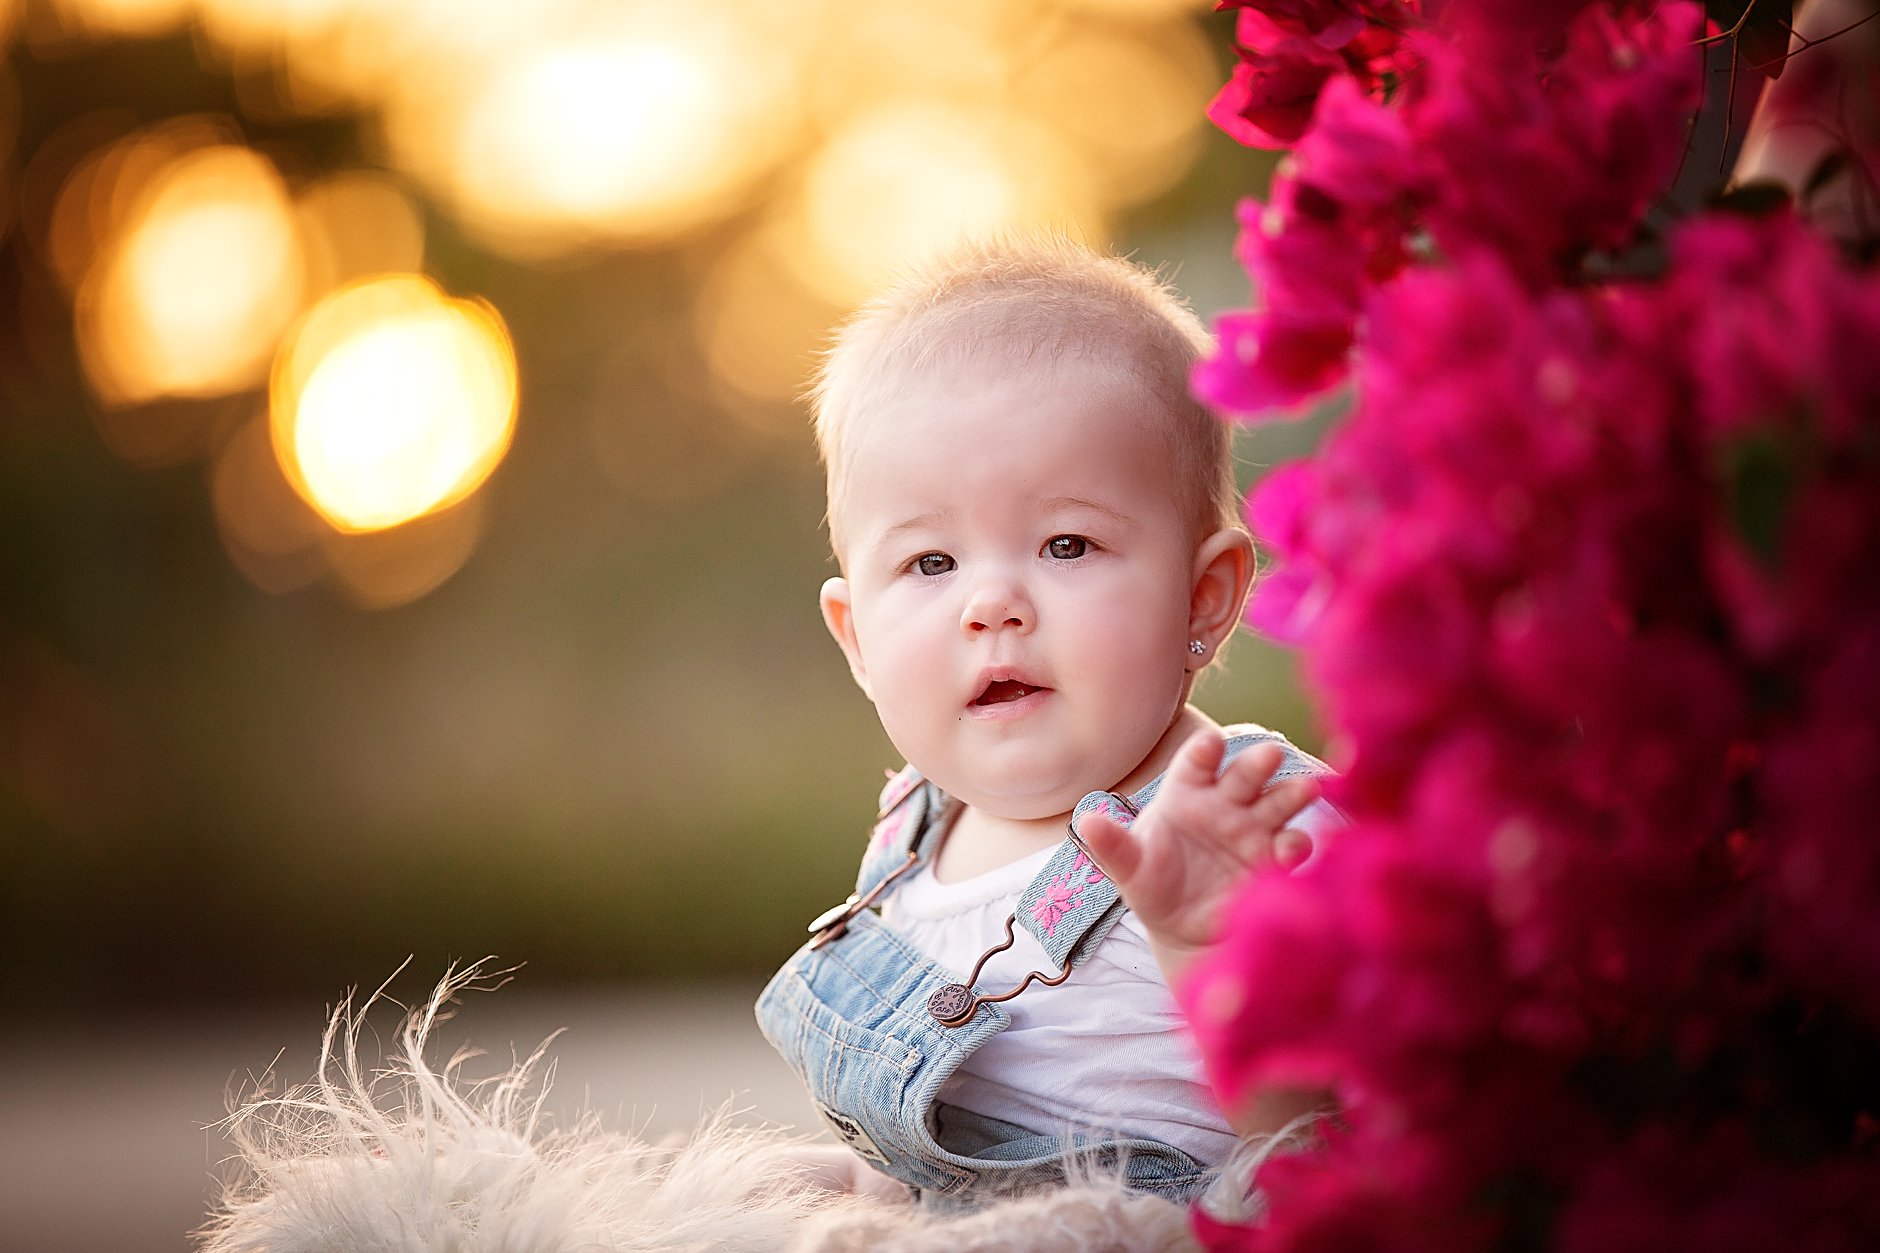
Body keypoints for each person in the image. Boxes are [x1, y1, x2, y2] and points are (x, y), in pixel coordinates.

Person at [755, 236, 1340, 1209]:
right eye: (930, 563)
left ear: (1203, 597)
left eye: (1065, 543)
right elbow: (899, 1154)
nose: (990, 602)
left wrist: (1220, 952)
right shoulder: (910, 832)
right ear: (855, 637)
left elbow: (1345, 1162)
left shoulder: (1256, 821)